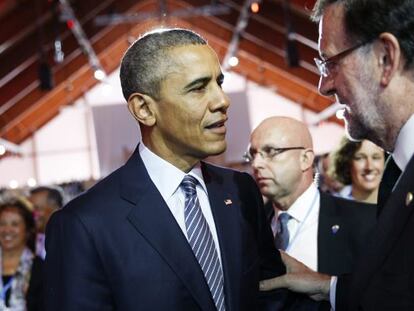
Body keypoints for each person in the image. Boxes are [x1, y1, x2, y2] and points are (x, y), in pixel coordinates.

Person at [44, 28, 290, 311]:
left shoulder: (240, 190)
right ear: (144, 109)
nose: (223, 101)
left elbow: (270, 294)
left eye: (219, 83)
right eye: (199, 88)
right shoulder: (84, 225)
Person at [259, 1, 414, 310]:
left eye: (330, 63)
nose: (323, 85)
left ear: (385, 58)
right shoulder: (398, 172)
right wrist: (329, 287)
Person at [248, 116, 376, 275]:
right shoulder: (250, 229)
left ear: (305, 159)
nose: (256, 164)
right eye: (253, 154)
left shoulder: (365, 222)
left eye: (271, 151)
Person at [0, 198, 44, 310]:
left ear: (28, 230)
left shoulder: (40, 269)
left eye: (14, 224)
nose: (7, 230)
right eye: (2, 224)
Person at [330, 138, 385, 203]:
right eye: (360, 158)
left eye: (376, 157)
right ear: (346, 162)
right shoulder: (333, 205)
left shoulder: (397, 204)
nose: (369, 167)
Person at [29, 186, 64, 259]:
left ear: (55, 209)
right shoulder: (27, 239)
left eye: (37, 208)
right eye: (28, 209)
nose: (31, 214)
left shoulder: (68, 240)